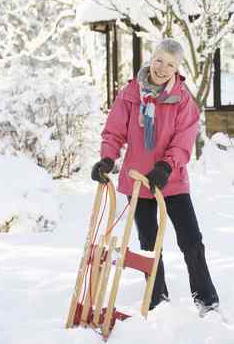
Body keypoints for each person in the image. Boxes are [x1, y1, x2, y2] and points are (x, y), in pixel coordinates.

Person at [91, 38, 219, 314]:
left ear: (177, 68)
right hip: (138, 180)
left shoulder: (183, 101)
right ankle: (156, 296)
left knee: (191, 240)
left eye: (170, 64)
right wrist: (107, 158)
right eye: (159, 60)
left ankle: (206, 299)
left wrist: (166, 166)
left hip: (171, 180)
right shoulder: (130, 93)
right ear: (151, 58)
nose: (162, 68)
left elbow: (183, 141)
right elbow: (114, 131)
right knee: (149, 244)